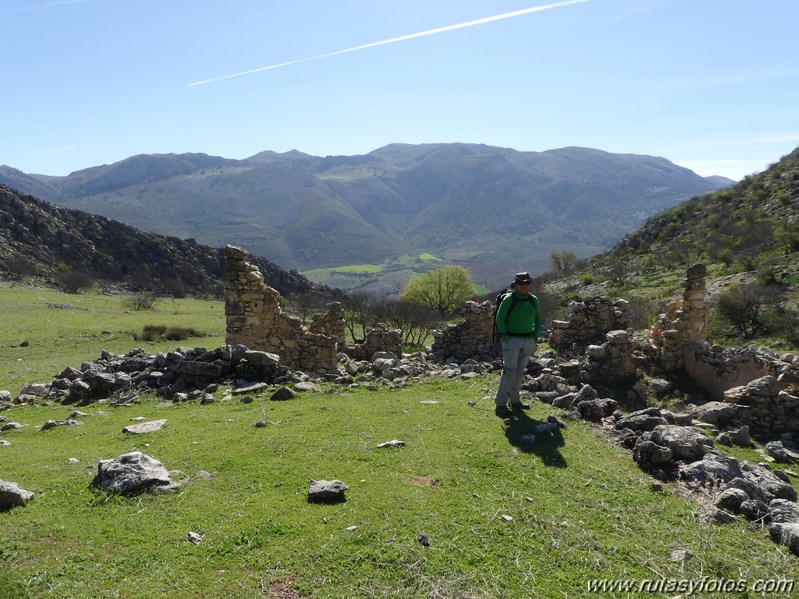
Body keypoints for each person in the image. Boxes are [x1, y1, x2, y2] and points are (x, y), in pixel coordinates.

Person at [494, 272, 542, 419]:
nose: (524, 286)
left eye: (527, 283)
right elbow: (499, 319)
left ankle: (515, 401)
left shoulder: (533, 300)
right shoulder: (509, 299)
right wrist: (505, 337)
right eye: (521, 284)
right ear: (515, 284)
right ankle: (501, 404)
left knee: (519, 371)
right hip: (512, 340)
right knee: (509, 371)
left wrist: (535, 337)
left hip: (528, 340)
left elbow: (538, 319)